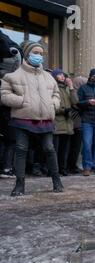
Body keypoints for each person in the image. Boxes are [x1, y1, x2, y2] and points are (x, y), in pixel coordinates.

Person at [0, 41, 63, 196]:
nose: (39, 56)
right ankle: (19, 185)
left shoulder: (49, 77)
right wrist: (22, 101)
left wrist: (53, 104)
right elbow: (4, 95)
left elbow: (56, 94)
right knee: (21, 150)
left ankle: (57, 181)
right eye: (36, 52)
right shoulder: (12, 76)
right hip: (23, 119)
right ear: (27, 54)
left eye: (41, 54)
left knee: (49, 149)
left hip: (45, 120)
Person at [0, 30, 22, 178]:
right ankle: (6, 168)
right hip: (7, 112)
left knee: (10, 140)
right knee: (10, 140)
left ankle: (7, 167)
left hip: (8, 113)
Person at [51, 69, 78, 176]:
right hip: (57, 124)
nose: (63, 76)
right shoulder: (53, 88)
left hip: (67, 124)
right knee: (55, 150)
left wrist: (71, 87)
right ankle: (53, 170)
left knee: (64, 150)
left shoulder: (66, 90)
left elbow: (75, 102)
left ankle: (62, 168)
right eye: (60, 74)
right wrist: (64, 111)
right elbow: (52, 106)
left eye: (63, 75)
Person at [67, 76, 87, 174]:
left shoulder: (74, 92)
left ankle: (72, 165)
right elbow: (76, 104)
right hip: (75, 123)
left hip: (76, 123)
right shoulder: (73, 93)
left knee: (75, 147)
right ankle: (71, 166)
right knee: (74, 147)